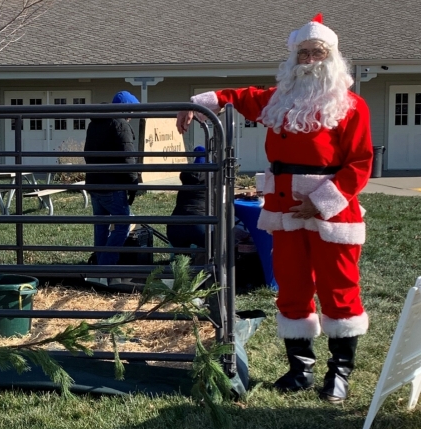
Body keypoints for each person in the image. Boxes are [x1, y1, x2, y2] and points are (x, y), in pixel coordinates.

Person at [176, 14, 373, 404]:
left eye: (317, 52)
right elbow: (239, 97)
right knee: (292, 287)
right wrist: (196, 104)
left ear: (331, 57)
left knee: (340, 290)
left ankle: (339, 373)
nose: (309, 59)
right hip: (283, 209)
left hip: (331, 213)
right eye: (303, 52)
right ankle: (300, 369)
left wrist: (318, 202)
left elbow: (361, 163)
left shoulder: (352, 107)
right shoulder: (278, 99)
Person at [84, 90, 142, 278]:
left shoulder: (94, 124)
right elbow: (128, 157)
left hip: (94, 183)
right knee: (123, 224)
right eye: (131, 111)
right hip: (112, 186)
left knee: (101, 226)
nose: (132, 116)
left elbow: (87, 154)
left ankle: (99, 267)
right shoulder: (120, 125)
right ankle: (107, 267)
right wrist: (133, 183)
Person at [166, 145, 208, 251]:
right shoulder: (211, 181)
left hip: (175, 225)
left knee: (181, 260)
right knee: (215, 249)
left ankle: (182, 265)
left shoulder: (186, 178)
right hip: (200, 225)